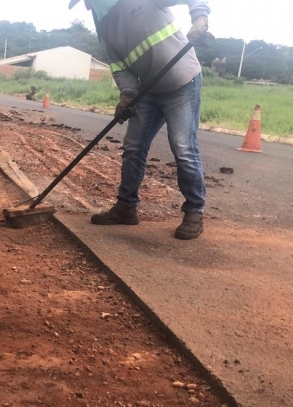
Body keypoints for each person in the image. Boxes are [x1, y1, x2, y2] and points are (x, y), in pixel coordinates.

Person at [69, 0, 212, 240]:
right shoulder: (106, 28)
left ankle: (194, 211)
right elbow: (120, 68)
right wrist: (127, 95)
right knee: (133, 147)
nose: (88, 7)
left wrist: (200, 17)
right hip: (148, 90)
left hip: (182, 82)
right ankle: (126, 207)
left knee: (183, 147)